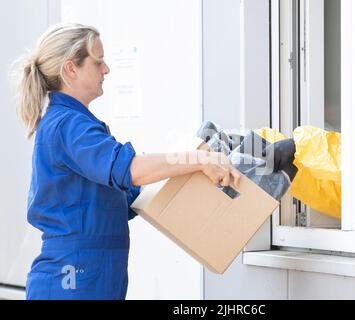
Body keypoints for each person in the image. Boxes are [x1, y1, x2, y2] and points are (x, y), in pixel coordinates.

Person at [14, 23, 240, 300]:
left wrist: (191, 163)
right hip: (71, 283)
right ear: (71, 69)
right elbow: (130, 169)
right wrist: (198, 158)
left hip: (91, 278)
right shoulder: (68, 125)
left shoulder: (77, 124)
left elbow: (131, 191)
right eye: (98, 62)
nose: (106, 69)